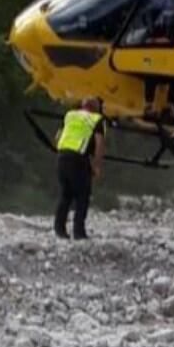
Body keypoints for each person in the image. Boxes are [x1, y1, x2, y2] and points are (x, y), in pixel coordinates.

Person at [53, 97, 105, 240]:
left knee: (65, 195)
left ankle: (59, 230)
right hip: (78, 160)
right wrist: (96, 165)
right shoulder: (96, 119)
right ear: (96, 108)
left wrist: (61, 152)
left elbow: (57, 137)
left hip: (62, 156)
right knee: (82, 196)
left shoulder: (70, 115)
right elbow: (99, 143)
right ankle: (79, 233)